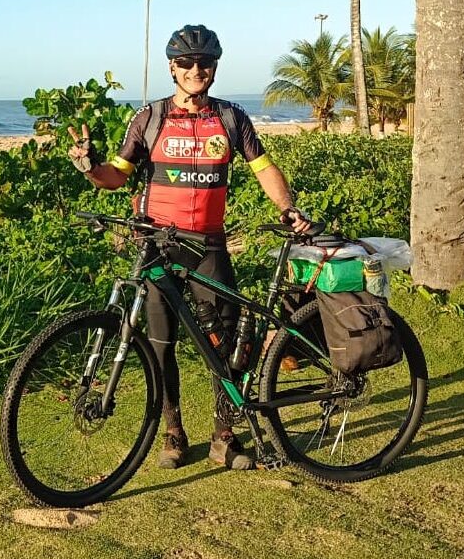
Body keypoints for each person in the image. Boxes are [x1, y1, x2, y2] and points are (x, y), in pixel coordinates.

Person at [67, 24, 312, 471]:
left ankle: (225, 436)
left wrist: (287, 208)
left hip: (209, 246)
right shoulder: (150, 118)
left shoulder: (232, 117)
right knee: (161, 345)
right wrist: (88, 165)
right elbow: (116, 176)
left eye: (204, 63)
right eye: (186, 63)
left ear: (214, 68)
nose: (195, 70)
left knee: (226, 345)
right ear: (172, 67)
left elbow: (264, 168)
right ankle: (173, 432)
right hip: (159, 245)